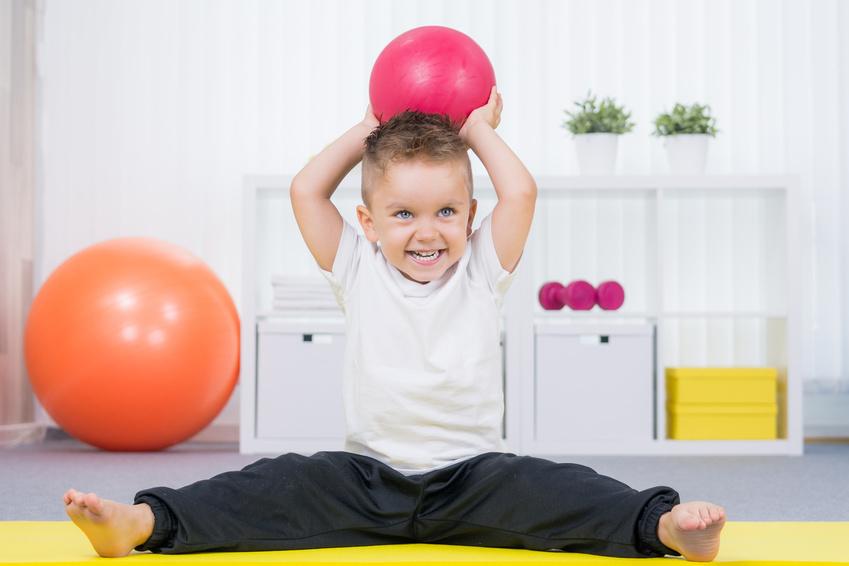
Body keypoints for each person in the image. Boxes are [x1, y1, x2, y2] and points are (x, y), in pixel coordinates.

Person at [64, 87, 725, 561]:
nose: (426, 231)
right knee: (268, 486)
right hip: (365, 479)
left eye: (444, 211)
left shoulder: (481, 269)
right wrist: (368, 127)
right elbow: (305, 190)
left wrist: (477, 129)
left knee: (564, 489)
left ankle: (666, 528)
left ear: (470, 219)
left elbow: (519, 192)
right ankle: (142, 523)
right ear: (368, 223)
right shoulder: (356, 267)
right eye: (402, 214)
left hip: (475, 477)